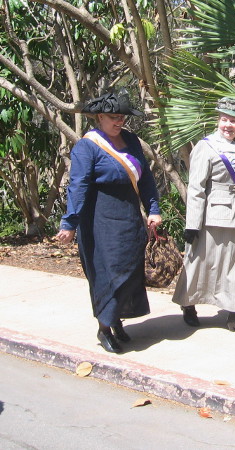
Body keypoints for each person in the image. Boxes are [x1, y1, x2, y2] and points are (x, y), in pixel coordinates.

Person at [55, 90, 162, 354]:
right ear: (100, 117)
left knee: (132, 268)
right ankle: (104, 326)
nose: (119, 122)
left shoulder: (131, 140)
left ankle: (116, 319)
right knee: (112, 272)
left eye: (122, 118)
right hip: (100, 220)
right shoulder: (87, 147)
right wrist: (69, 223)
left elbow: (145, 178)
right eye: (114, 117)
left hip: (129, 216)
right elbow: (77, 186)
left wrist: (153, 208)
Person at [171, 97, 235, 336]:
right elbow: (196, 188)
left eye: (234, 121)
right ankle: (188, 304)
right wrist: (192, 225)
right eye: (224, 119)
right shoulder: (206, 146)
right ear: (218, 120)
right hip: (212, 216)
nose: (228, 125)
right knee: (201, 262)